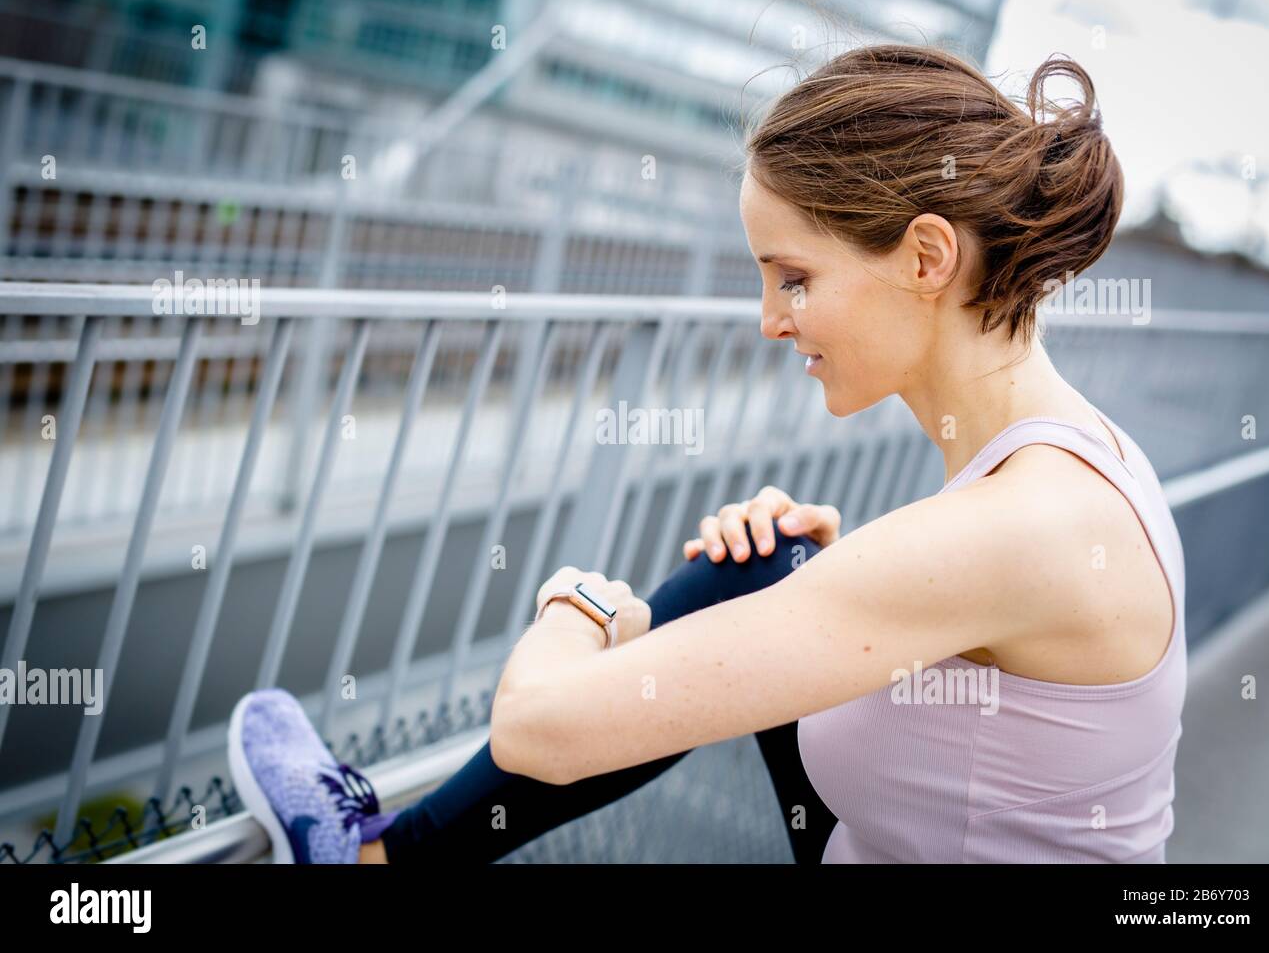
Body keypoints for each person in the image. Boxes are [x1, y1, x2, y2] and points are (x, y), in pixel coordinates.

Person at [227, 44, 1185, 864]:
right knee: (764, 562)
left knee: (721, 601)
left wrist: (582, 606)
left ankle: (376, 858)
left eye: (795, 278)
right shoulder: (1086, 461)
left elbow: (534, 728)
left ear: (927, 259)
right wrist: (830, 578)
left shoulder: (1016, 530)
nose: (772, 321)